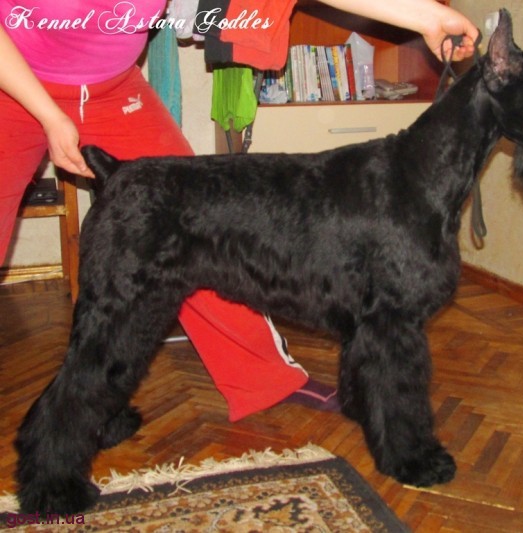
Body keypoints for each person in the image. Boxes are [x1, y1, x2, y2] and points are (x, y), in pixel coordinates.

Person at [0, 0, 478, 421]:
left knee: (204, 228)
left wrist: (426, 15)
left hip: (112, 88)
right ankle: (84, 402)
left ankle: (265, 378)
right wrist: (48, 114)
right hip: (12, 84)